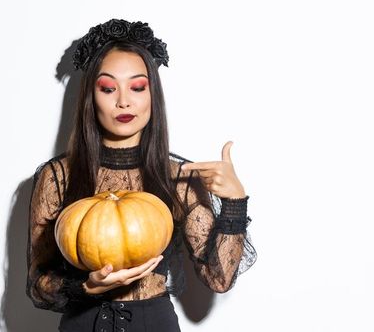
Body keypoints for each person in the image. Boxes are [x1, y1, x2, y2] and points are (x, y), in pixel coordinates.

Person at [27, 18, 257, 332]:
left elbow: (218, 278)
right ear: (91, 98)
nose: (124, 100)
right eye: (108, 88)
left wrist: (234, 203)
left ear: (152, 96)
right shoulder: (58, 177)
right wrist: (86, 288)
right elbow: (38, 283)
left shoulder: (178, 177)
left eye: (137, 87)